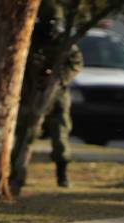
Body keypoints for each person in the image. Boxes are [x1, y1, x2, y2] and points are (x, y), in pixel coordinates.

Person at [42, 45, 83, 188]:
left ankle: (62, 175)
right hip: (32, 94)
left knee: (60, 137)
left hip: (57, 96)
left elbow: (75, 65)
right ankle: (16, 175)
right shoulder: (35, 40)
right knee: (23, 135)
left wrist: (57, 79)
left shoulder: (65, 42)